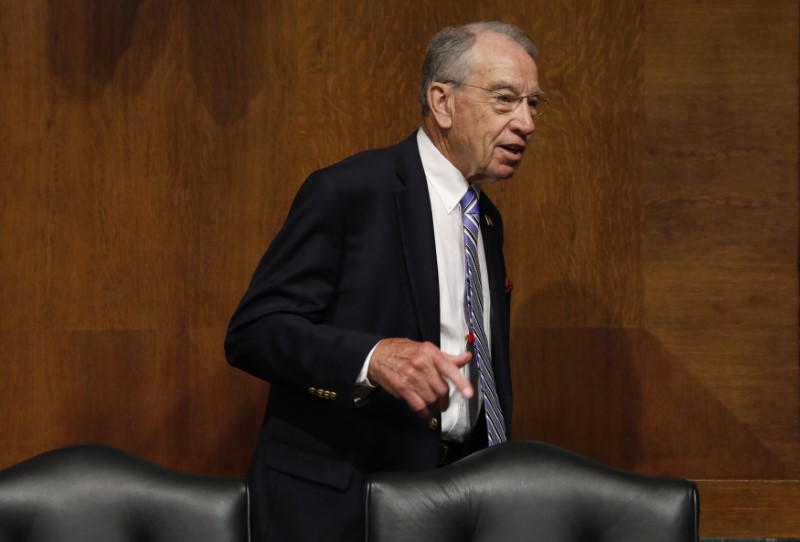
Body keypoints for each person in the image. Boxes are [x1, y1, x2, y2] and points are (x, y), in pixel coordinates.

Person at [225, 21, 544, 542]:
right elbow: (254, 332)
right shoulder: (348, 193)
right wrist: (373, 359)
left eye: (534, 104)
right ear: (442, 101)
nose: (527, 122)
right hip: (340, 509)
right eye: (506, 99)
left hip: (454, 504)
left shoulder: (485, 221)